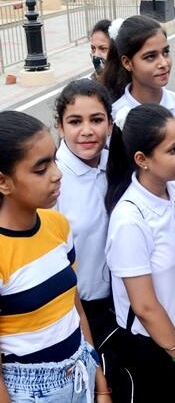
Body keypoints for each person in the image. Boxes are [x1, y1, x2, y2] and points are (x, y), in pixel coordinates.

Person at [104, 104, 175, 403]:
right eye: (173, 149)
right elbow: (145, 306)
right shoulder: (130, 220)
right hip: (150, 350)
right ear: (142, 160)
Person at [0, 110, 110, 402]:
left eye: (54, 160)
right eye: (41, 169)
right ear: (3, 182)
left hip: (81, 373)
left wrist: (99, 381)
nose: (57, 174)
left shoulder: (57, 225)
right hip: (30, 391)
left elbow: (74, 309)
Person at [54, 80, 118, 368]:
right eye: (75, 121)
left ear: (110, 124)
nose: (87, 131)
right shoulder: (54, 181)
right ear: (60, 127)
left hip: (123, 303)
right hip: (78, 311)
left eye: (96, 119)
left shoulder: (119, 165)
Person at [101, 15, 175, 124]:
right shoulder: (114, 116)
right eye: (150, 57)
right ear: (127, 62)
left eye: (165, 52)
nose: (163, 63)